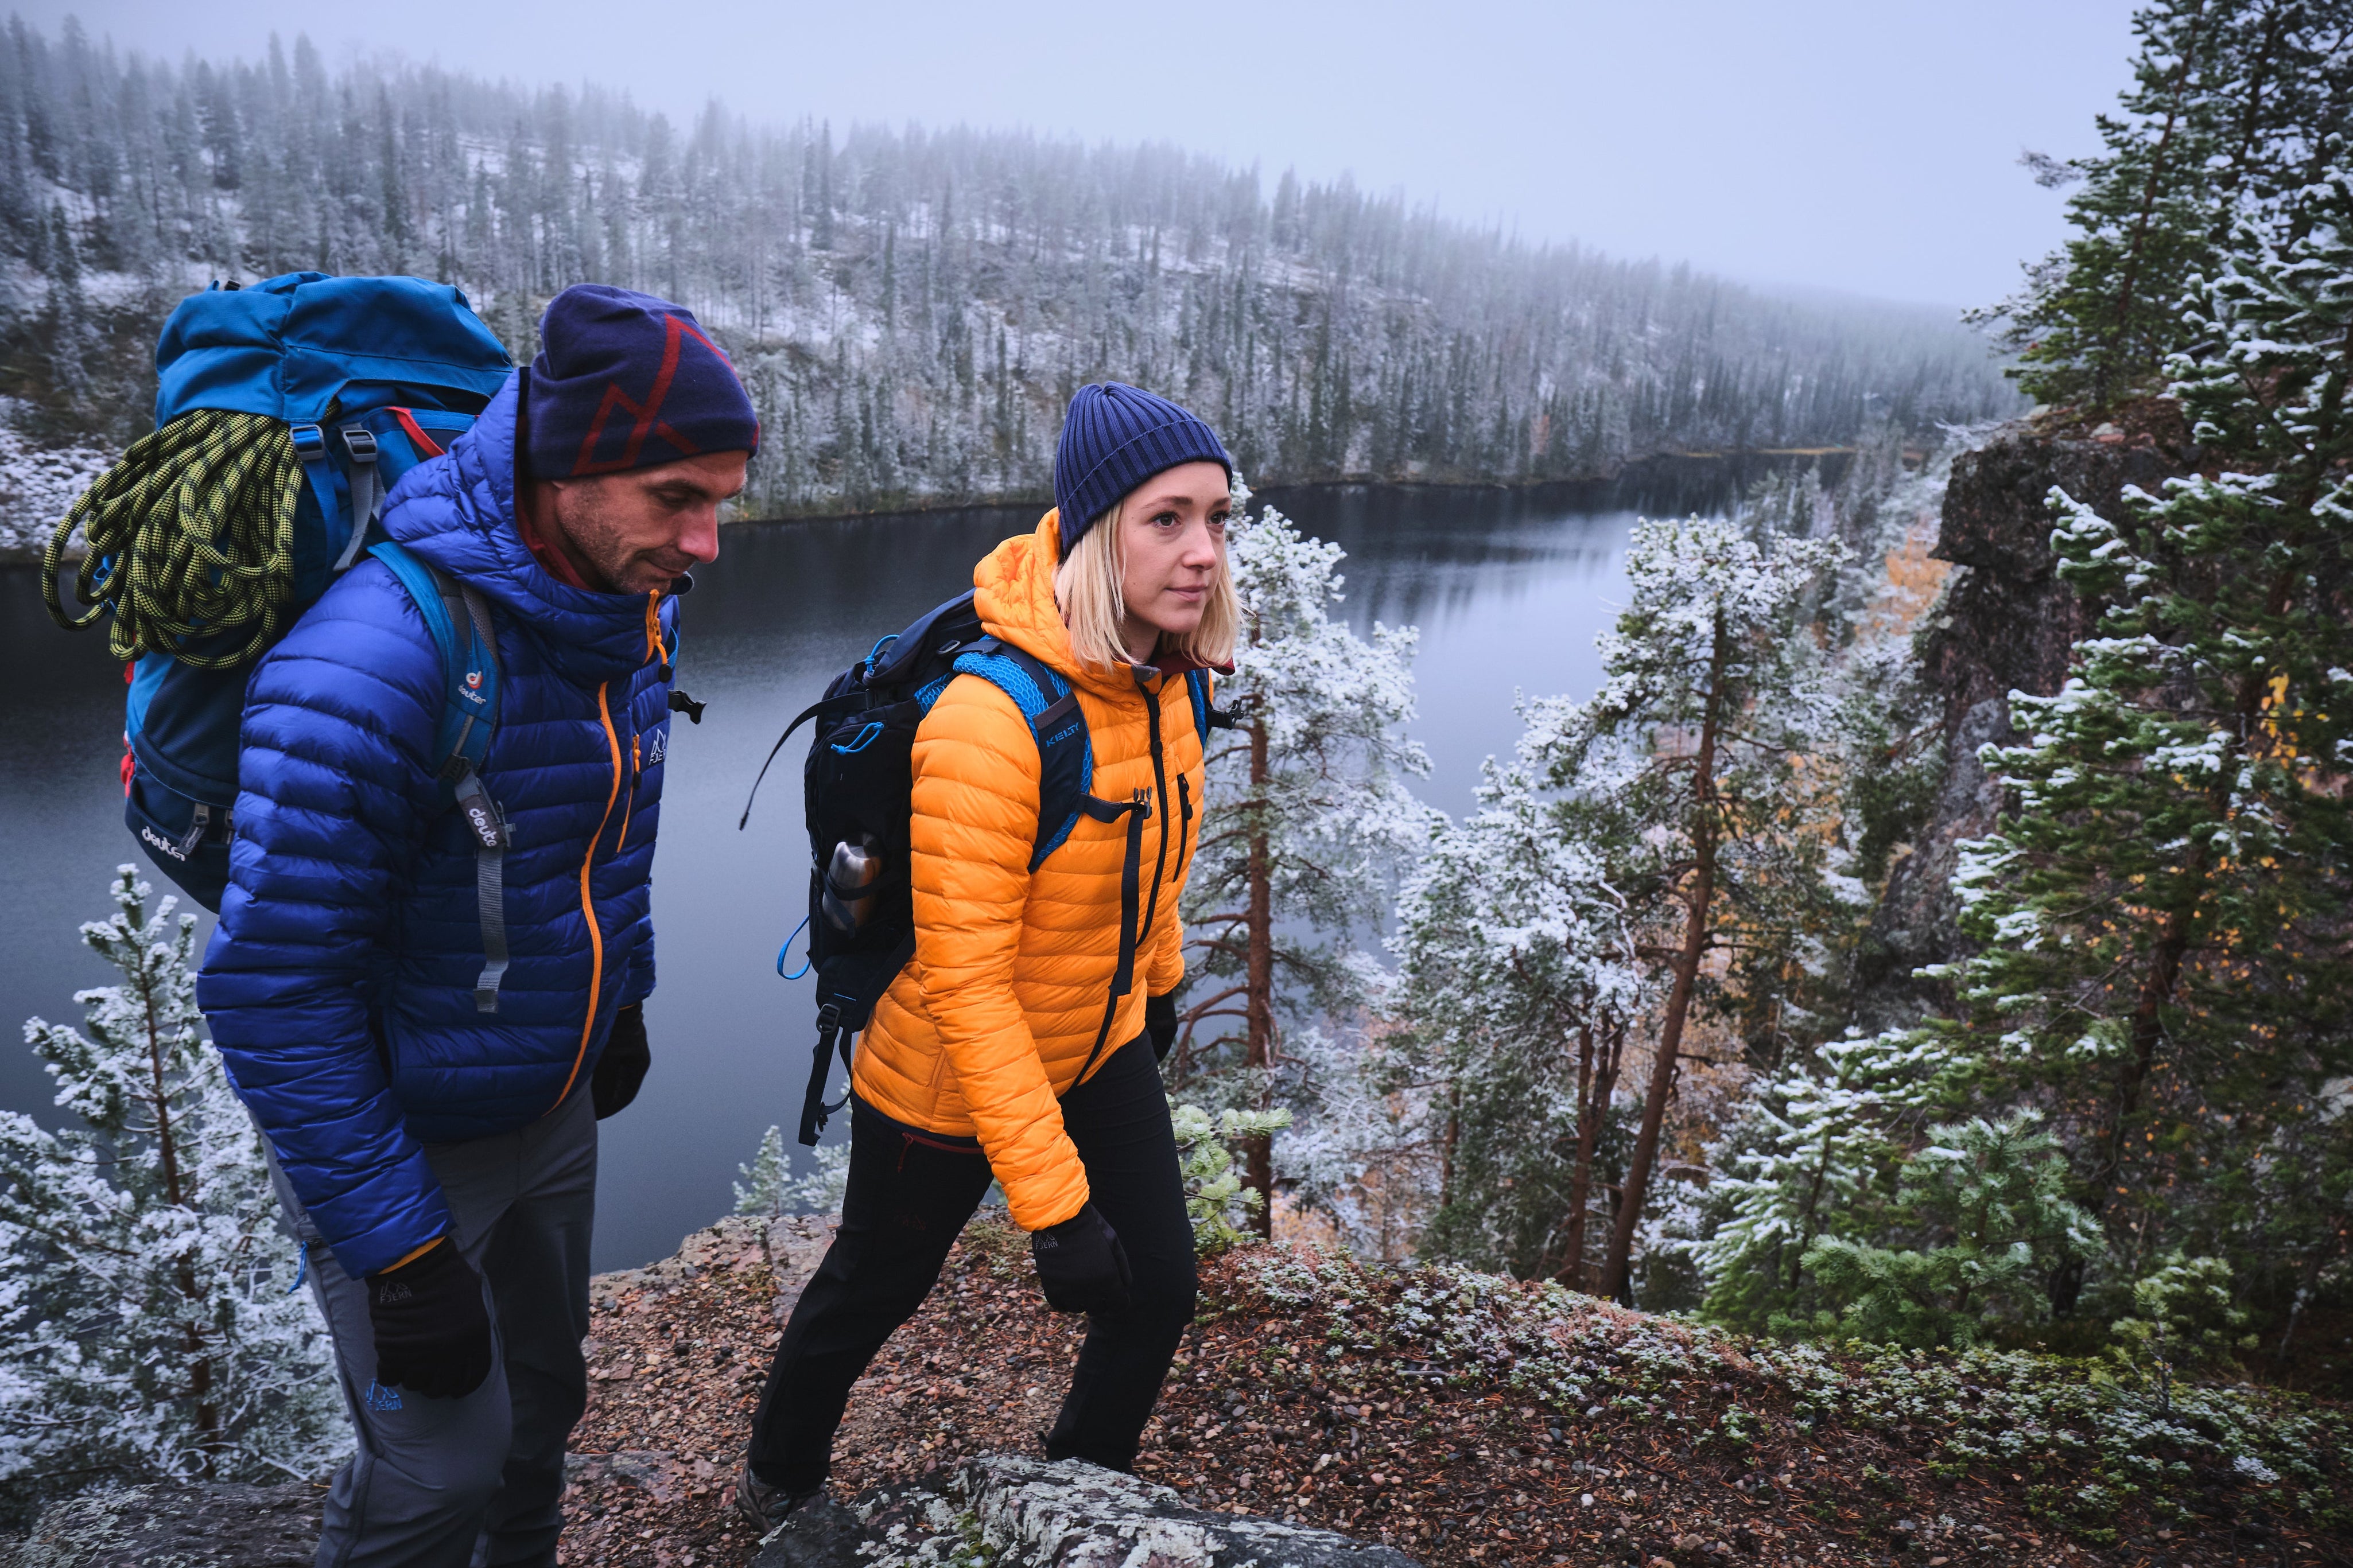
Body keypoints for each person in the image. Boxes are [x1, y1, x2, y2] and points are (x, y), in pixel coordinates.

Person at [196, 284, 759, 1568]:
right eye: (677, 496)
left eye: (724, 499)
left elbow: (605, 831)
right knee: (440, 1468)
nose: (707, 541)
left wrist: (625, 998)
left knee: (544, 1403)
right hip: (403, 1128)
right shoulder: (373, 660)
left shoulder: (634, 606)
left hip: (547, 1102)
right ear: (563, 468)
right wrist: (401, 1253)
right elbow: (273, 988)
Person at [737, 382, 1234, 1527]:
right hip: (947, 1075)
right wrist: (1054, 1209)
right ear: (1098, 529)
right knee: (874, 1287)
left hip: (1095, 1034)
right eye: (1167, 518)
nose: (1203, 551)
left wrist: (1157, 986)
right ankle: (778, 1475)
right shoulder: (991, 722)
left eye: (1217, 517)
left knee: (1159, 1284)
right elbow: (966, 984)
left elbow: (1151, 859)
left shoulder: (1171, 679)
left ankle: (1079, 1495)